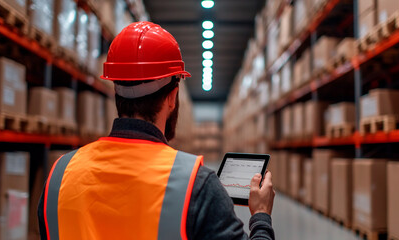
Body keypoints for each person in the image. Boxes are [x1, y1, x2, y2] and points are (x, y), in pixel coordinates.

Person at [38, 21, 275, 240]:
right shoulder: (196, 185)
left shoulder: (59, 175)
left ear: (116, 91)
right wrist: (261, 216)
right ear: (172, 97)